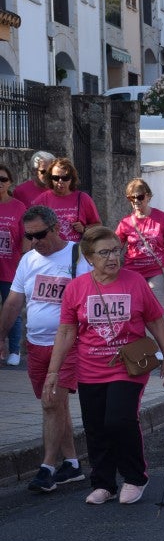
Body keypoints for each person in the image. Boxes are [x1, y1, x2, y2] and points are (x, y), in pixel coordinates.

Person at [46, 226, 164, 505]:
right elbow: (67, 332)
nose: (113, 258)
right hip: (90, 369)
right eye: (104, 253)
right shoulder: (76, 288)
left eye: (117, 250)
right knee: (95, 426)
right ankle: (104, 483)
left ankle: (135, 477)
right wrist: (53, 372)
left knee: (119, 419)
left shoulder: (136, 282)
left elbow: (155, 320)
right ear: (89, 258)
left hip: (128, 366)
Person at [0, 206, 91, 492]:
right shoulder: (28, 261)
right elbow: (14, 302)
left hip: (67, 344)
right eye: (29, 236)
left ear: (55, 228)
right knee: (56, 405)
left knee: (50, 403)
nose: (34, 241)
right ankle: (73, 464)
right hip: (35, 345)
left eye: (39, 234)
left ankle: (47, 468)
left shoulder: (79, 255)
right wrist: (1, 335)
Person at [115, 178, 164, 300]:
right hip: (132, 272)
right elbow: (115, 248)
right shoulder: (125, 222)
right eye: (132, 198)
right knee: (134, 311)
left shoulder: (161, 218)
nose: (136, 201)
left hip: (157, 271)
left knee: (156, 311)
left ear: (148, 196)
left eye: (140, 197)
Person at [32, 158, 101, 243]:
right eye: (56, 178)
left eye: (65, 178)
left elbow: (98, 225)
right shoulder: (42, 200)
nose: (60, 181)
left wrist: (84, 228)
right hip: (51, 250)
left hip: (76, 251)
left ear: (72, 178)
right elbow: (32, 226)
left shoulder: (83, 198)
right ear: (50, 178)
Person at [0, 163, 26, 366]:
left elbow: (25, 238)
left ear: (10, 183)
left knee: (12, 310)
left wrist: (24, 262)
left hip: (10, 268)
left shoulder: (18, 207)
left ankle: (15, 350)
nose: (0, 183)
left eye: (3, 179)